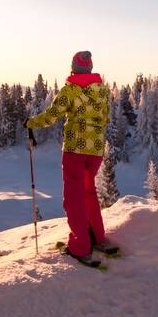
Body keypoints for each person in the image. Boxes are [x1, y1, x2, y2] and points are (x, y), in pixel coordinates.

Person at [25, 51, 116, 266]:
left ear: (73, 67)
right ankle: (97, 237)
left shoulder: (70, 90)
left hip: (75, 149)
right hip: (95, 150)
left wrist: (30, 123)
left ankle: (80, 246)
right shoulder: (102, 90)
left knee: (73, 197)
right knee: (88, 192)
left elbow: (51, 116)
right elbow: (106, 118)